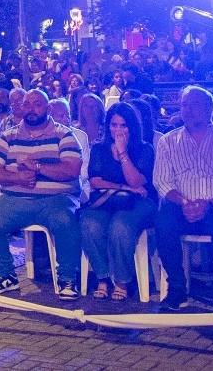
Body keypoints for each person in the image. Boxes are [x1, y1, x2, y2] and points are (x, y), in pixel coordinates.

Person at [0, 89, 84, 299]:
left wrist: (37, 167)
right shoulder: (9, 136)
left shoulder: (64, 135)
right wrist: (18, 178)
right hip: (15, 198)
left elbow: (72, 169)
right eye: (27, 104)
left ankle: (67, 278)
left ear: (48, 108)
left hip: (56, 200)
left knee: (66, 220)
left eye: (37, 104)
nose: (31, 109)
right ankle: (6, 274)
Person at [152, 86, 213, 312]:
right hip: (181, 206)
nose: (188, 110)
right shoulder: (168, 141)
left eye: (195, 105)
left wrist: (209, 204)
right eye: (184, 105)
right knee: (163, 221)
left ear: (210, 109)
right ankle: (177, 288)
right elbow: (162, 181)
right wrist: (184, 203)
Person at [78, 102, 156, 301]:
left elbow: (137, 181)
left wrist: (122, 153)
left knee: (120, 225)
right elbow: (95, 181)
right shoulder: (99, 149)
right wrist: (124, 188)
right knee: (89, 224)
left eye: (123, 125)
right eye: (114, 125)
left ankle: (122, 281)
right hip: (106, 200)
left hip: (138, 202)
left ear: (132, 127)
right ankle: (103, 277)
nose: (118, 130)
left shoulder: (144, 149)